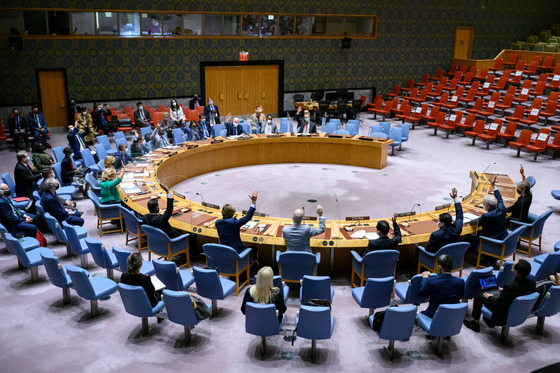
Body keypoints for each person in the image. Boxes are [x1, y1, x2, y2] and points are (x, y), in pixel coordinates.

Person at [464, 259, 536, 332]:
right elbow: (519, 292)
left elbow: (497, 304)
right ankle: (488, 320)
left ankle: (475, 323)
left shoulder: (510, 287)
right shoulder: (532, 283)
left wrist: (490, 297)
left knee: (479, 294)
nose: (512, 267)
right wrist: (504, 291)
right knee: (494, 293)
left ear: (516, 272)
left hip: (503, 313)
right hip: (518, 311)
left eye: (513, 267)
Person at [424, 188, 464, 253]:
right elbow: (460, 215)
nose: (438, 222)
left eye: (439, 221)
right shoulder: (457, 229)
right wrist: (455, 198)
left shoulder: (435, 235)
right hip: (453, 255)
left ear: (442, 223)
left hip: (438, 258)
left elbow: (428, 249)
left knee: (418, 250)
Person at [471, 175, 508, 241]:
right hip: (503, 236)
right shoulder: (501, 208)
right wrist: (494, 186)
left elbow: (474, 223)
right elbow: (499, 199)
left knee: (470, 239)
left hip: (492, 240)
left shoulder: (486, 216)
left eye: (484, 204)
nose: (483, 205)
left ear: (488, 206)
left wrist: (470, 220)